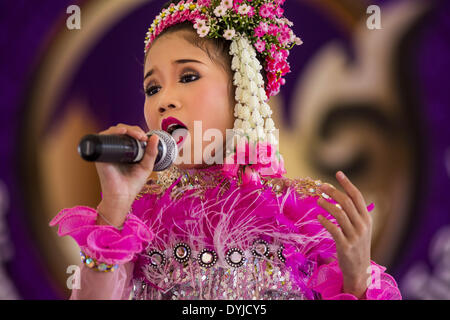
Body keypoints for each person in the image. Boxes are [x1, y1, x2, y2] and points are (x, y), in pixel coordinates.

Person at [49, 0, 402, 300]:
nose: (163, 100)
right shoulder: (138, 217)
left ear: (241, 92)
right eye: (152, 87)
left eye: (187, 77)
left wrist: (357, 279)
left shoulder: (308, 216)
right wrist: (114, 205)